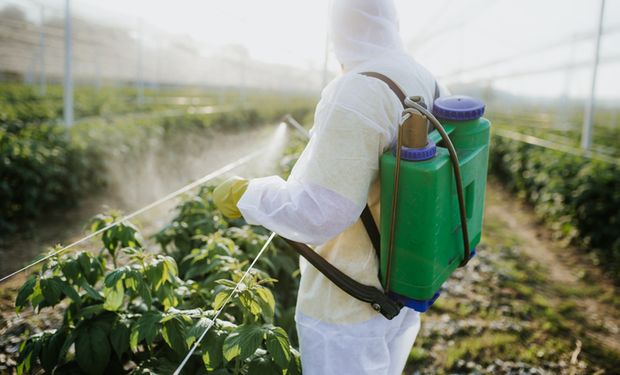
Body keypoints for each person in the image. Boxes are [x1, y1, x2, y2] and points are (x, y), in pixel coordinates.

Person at [213, 0, 446, 373]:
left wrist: (248, 196)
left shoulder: (358, 91)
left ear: (338, 27)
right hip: (402, 281)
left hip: (348, 303)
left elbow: (321, 211)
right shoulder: (424, 77)